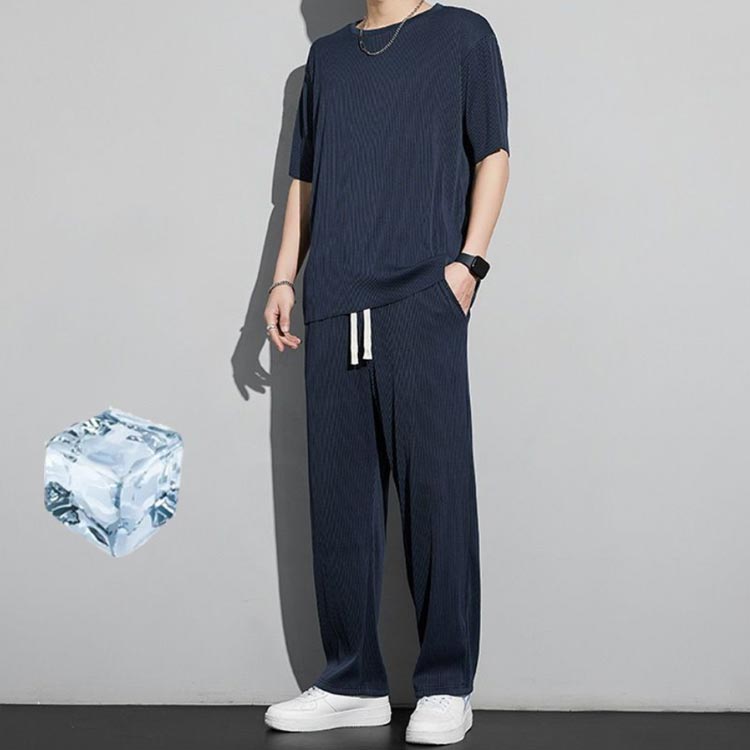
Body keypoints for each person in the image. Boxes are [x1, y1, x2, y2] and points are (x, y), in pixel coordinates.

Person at [263, 1, 509, 744]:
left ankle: (446, 683)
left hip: (422, 296)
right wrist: (284, 278)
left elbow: (492, 153)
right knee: (340, 502)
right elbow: (304, 181)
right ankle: (351, 681)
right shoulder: (327, 63)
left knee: (437, 493)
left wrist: (468, 267)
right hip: (334, 300)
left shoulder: (463, 35)